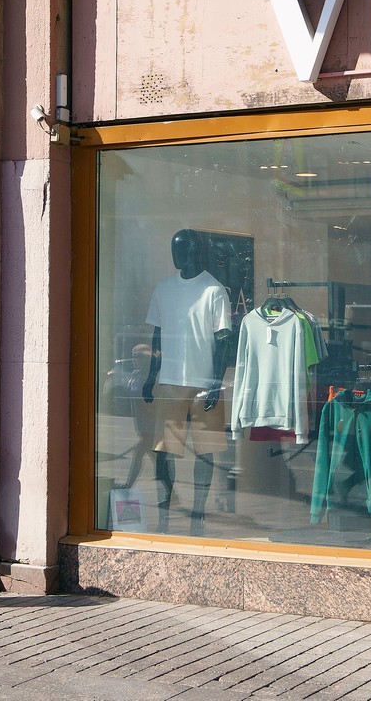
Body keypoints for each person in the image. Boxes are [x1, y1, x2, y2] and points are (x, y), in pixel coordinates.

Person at [142, 229, 232, 536]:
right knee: (164, 450)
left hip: (204, 383)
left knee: (205, 451)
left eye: (181, 249)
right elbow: (156, 336)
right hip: (170, 381)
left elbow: (223, 341)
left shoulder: (213, 290)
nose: (175, 255)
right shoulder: (163, 288)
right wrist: (152, 375)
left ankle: (198, 514)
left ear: (194, 251)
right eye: (173, 248)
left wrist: (216, 382)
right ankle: (164, 512)